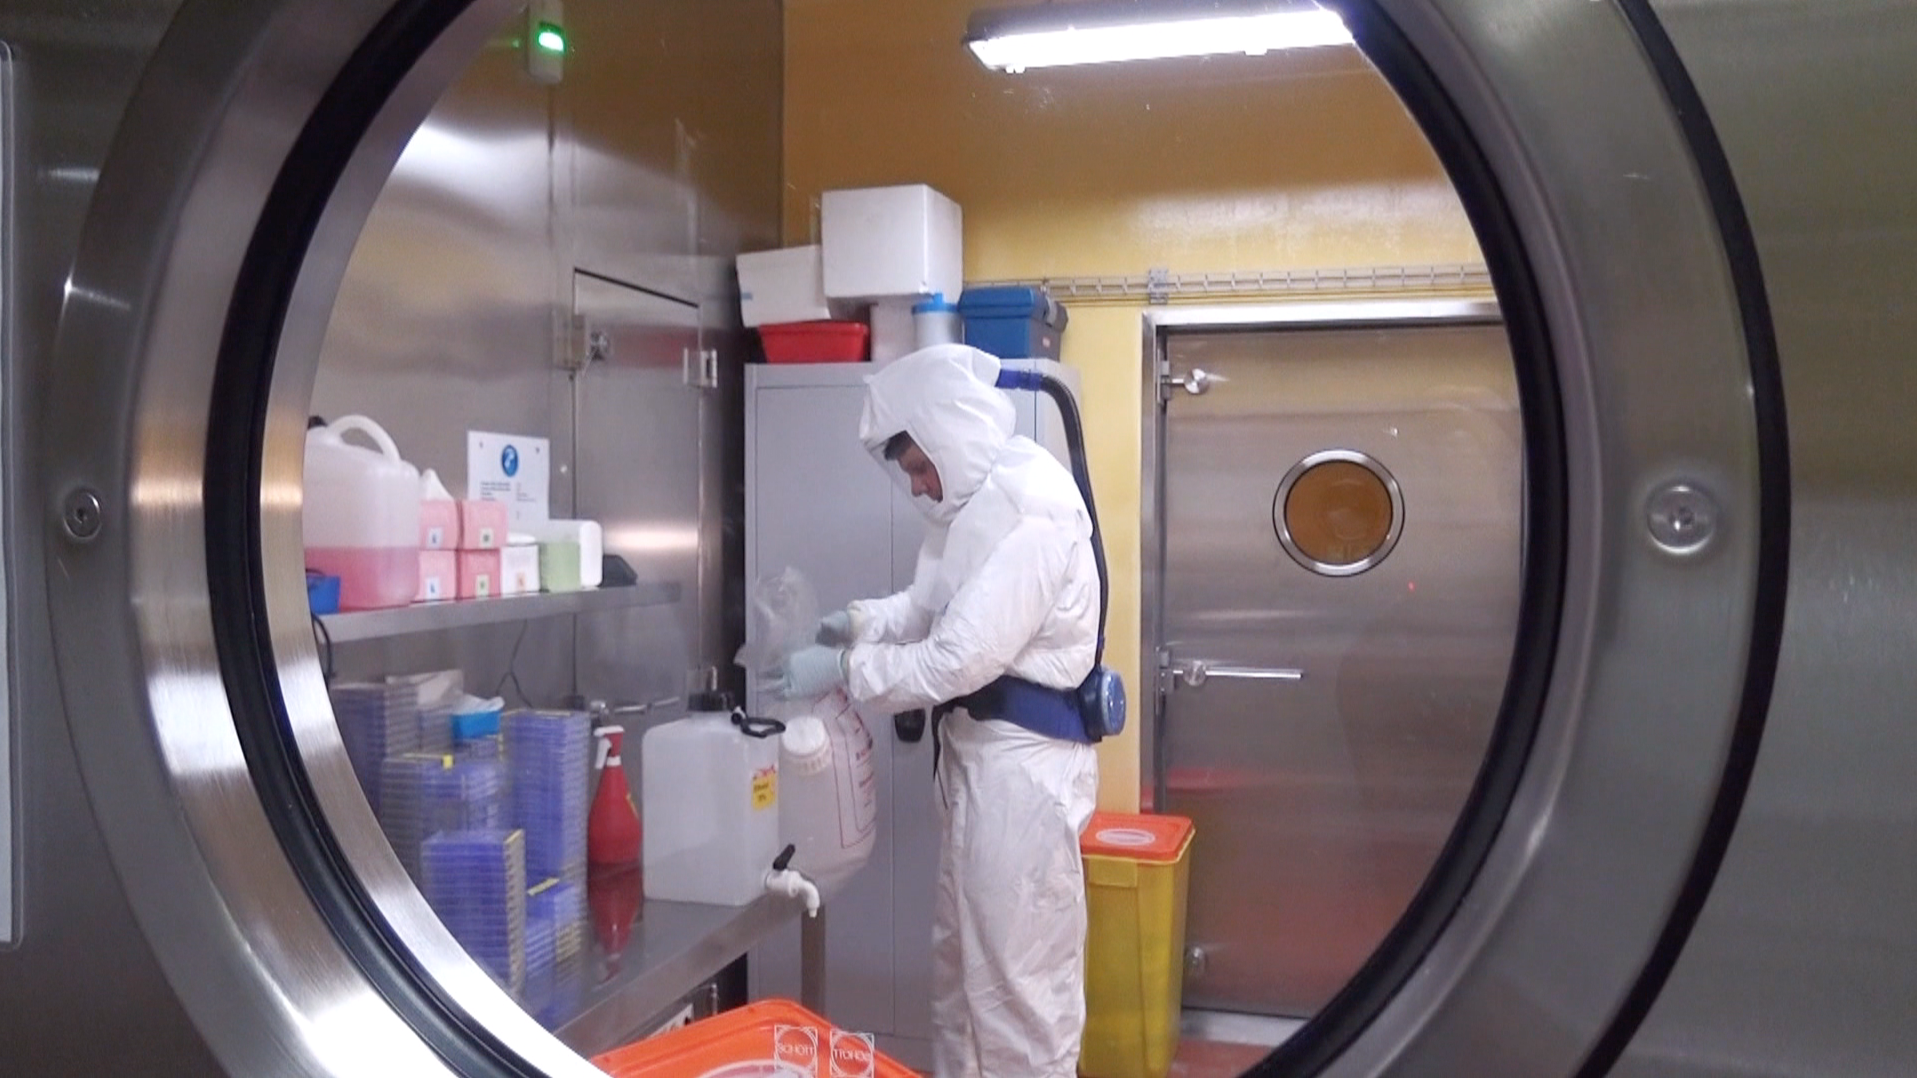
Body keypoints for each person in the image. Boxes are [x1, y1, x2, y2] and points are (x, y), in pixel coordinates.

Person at [769, 344, 1101, 1078]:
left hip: (1022, 779)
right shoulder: (978, 505)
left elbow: (956, 657)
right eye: (911, 472)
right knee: (960, 981)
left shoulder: (1031, 509)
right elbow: (930, 605)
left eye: (922, 467)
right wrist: (856, 623)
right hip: (979, 766)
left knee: (1017, 994)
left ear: (954, 434)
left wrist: (846, 669)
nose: (918, 486)